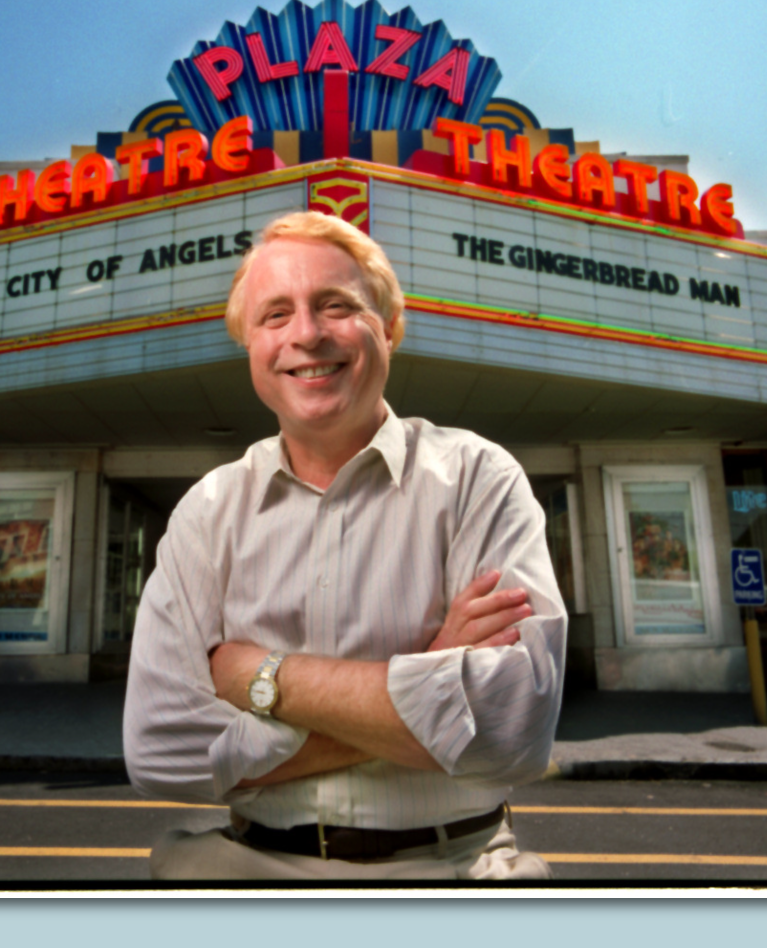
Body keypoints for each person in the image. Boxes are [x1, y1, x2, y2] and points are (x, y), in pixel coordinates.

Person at [121, 211, 566, 880]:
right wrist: (429, 677)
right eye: (275, 314)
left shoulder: (478, 477)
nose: (305, 334)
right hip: (247, 873)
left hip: (450, 871)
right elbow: (160, 754)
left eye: (336, 306)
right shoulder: (207, 512)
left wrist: (256, 678)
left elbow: (511, 732)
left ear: (387, 328)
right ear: (250, 346)